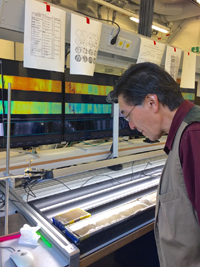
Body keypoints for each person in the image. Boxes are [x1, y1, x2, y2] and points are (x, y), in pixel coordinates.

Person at [109, 62, 200, 267]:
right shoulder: (185, 134)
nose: (131, 125)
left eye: (127, 114)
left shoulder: (193, 136)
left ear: (151, 102)